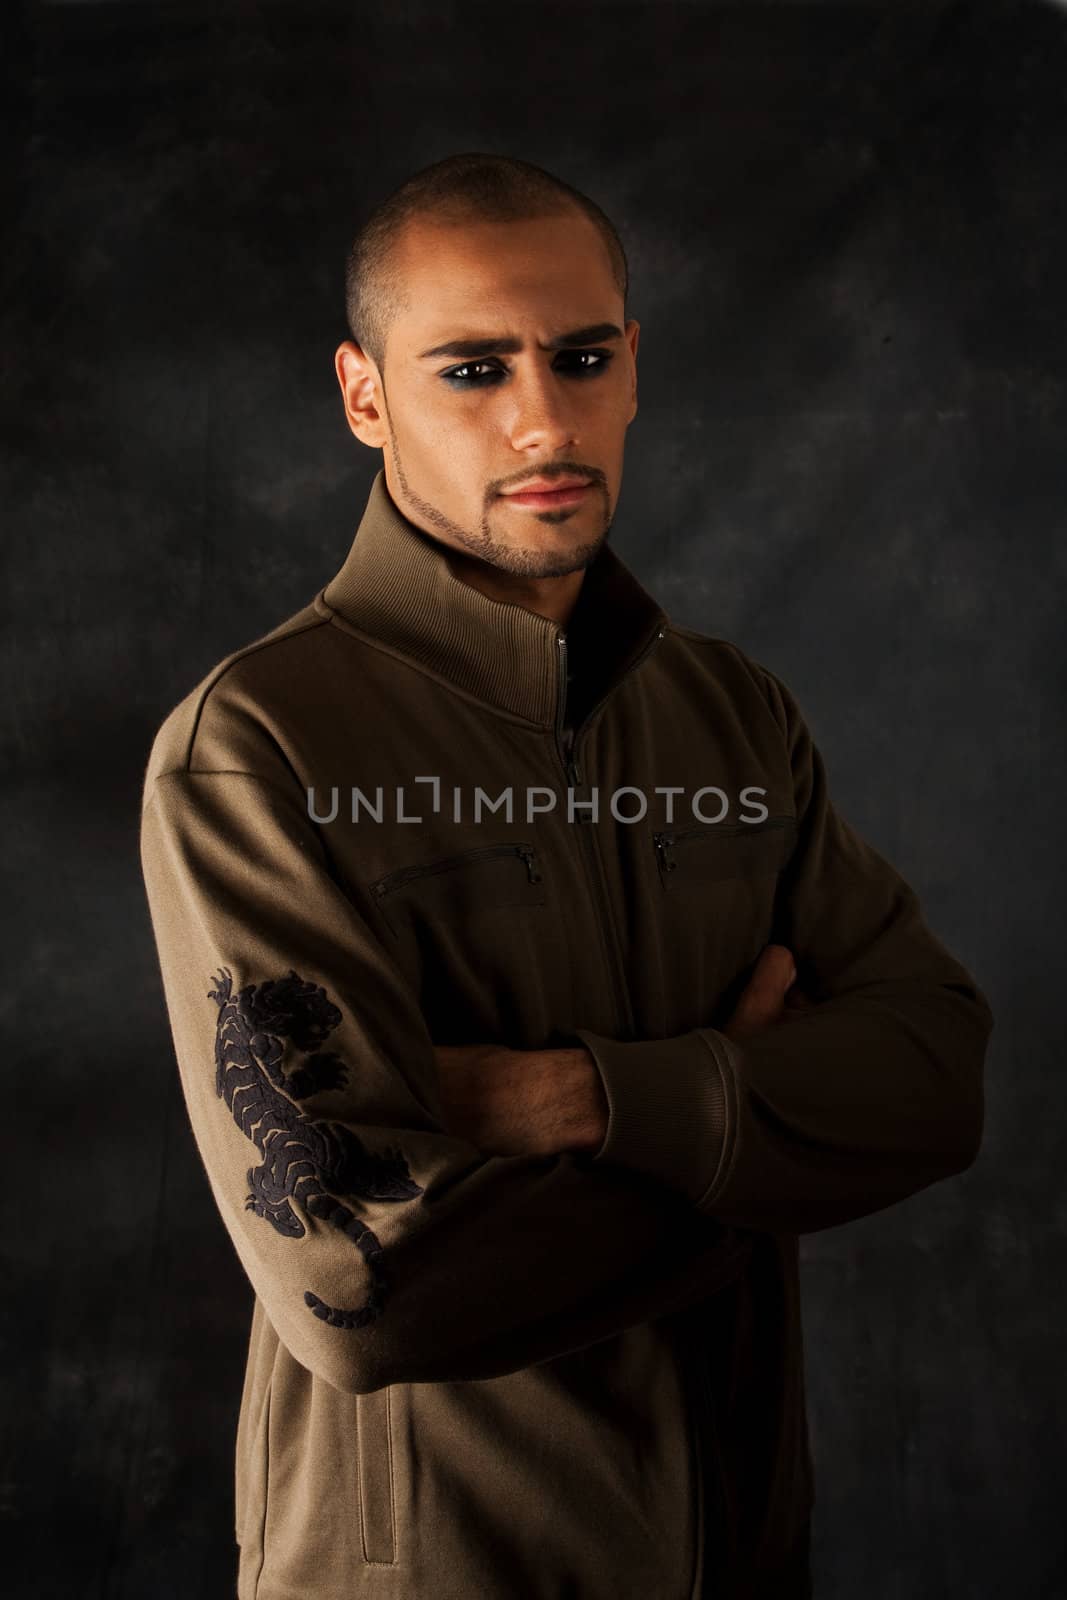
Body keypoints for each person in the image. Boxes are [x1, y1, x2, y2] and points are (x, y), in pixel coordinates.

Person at [139, 152, 993, 1600]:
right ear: (364, 396)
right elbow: (362, 1293)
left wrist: (588, 1100)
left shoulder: (734, 714)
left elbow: (937, 1081)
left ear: (634, 366)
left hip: (740, 1553)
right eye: (471, 369)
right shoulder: (256, 746)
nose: (544, 417)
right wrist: (759, 1119)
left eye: (581, 357)